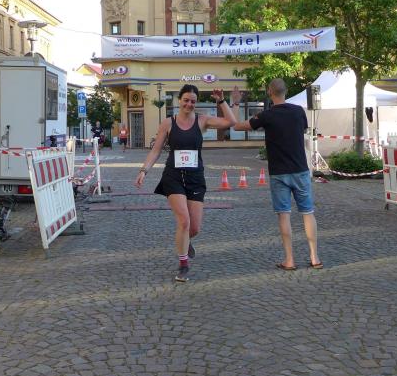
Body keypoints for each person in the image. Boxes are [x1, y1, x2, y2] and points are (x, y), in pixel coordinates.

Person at [135, 85, 238, 282]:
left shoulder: (202, 120)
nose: (189, 104)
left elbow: (231, 122)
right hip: (173, 176)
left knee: (194, 228)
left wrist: (222, 101)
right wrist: (143, 170)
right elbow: (156, 150)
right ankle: (183, 264)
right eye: (186, 100)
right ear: (179, 100)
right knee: (184, 220)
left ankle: (185, 241)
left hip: (195, 178)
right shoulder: (168, 123)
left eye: (193, 101)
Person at [233, 79, 322, 272]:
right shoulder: (298, 111)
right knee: (308, 212)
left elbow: (237, 126)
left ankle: (289, 260)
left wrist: (237, 102)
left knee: (284, 215)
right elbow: (303, 131)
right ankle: (314, 257)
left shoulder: (266, 115)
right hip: (300, 169)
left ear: (269, 92)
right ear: (286, 91)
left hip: (279, 172)